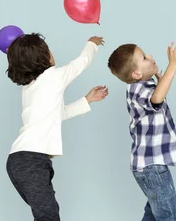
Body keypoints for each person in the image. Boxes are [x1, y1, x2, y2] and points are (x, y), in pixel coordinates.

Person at [6, 33, 107, 221]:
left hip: (20, 160)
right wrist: (92, 43)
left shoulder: (29, 88)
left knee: (47, 213)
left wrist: (87, 100)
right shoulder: (53, 76)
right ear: (44, 57)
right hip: (31, 161)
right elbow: (82, 62)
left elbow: (59, 114)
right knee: (48, 215)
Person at [108, 41, 176, 221]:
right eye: (144, 58)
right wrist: (172, 65)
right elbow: (157, 98)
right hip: (152, 167)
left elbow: (158, 94)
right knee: (170, 215)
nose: (150, 57)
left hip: (150, 167)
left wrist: (160, 79)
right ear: (136, 73)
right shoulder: (138, 89)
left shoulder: (141, 86)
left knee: (154, 214)